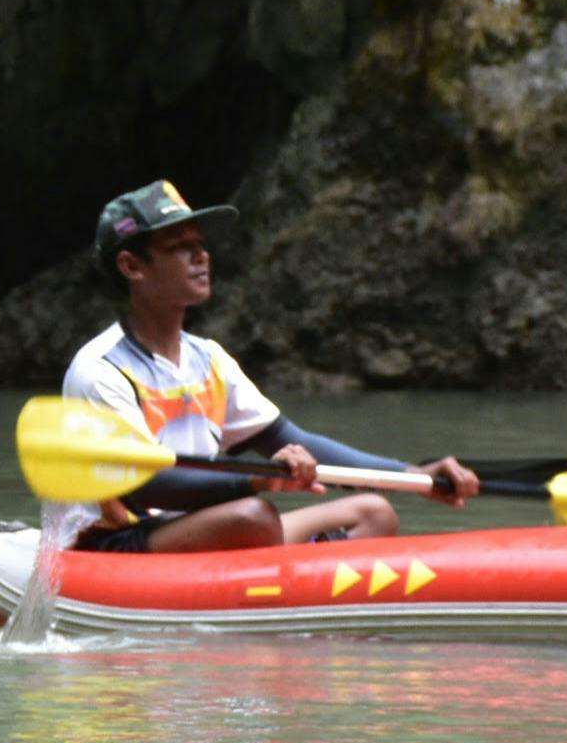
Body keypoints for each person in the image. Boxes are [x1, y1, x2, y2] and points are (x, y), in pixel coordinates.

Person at [67, 180, 478, 550]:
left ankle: (299, 588)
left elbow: (292, 439)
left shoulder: (208, 359)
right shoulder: (102, 371)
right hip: (115, 542)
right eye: (179, 247)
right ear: (132, 266)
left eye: (200, 244)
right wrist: (257, 479)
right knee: (253, 515)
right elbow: (146, 487)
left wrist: (416, 476)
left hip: (202, 530)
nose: (201, 256)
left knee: (375, 512)